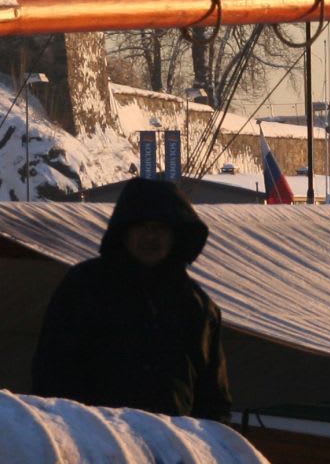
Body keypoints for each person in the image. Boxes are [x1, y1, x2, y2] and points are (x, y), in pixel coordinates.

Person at [29, 177, 231, 420]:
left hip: (171, 449)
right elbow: (52, 372)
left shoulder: (197, 307)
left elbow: (213, 397)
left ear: (175, 234)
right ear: (123, 231)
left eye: (160, 227)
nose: (150, 236)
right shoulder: (85, 287)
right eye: (141, 226)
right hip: (96, 444)